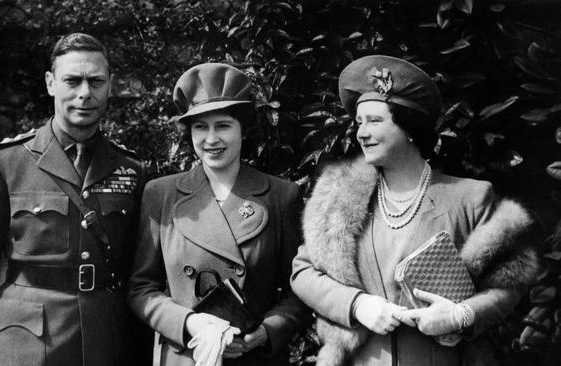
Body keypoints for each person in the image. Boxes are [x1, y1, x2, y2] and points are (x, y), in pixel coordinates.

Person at [290, 55, 540, 366]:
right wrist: (356, 305)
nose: (361, 133)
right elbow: (302, 272)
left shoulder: (469, 197)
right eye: (359, 122)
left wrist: (461, 315)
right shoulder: (338, 199)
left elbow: (510, 282)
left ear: (409, 128)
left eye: (375, 121)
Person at [0, 33, 150, 365]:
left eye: (96, 81)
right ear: (51, 83)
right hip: (23, 347)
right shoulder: (5, 163)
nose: (85, 93)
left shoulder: (131, 169)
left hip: (105, 345)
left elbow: (139, 276)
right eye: (73, 81)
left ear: (110, 86)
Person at [128, 63, 310, 366]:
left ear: (243, 130)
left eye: (223, 125)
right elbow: (140, 287)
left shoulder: (281, 196)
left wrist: (267, 331)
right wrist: (188, 324)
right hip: (185, 355)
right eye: (201, 127)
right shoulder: (160, 194)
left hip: (254, 357)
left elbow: (302, 289)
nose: (211, 139)